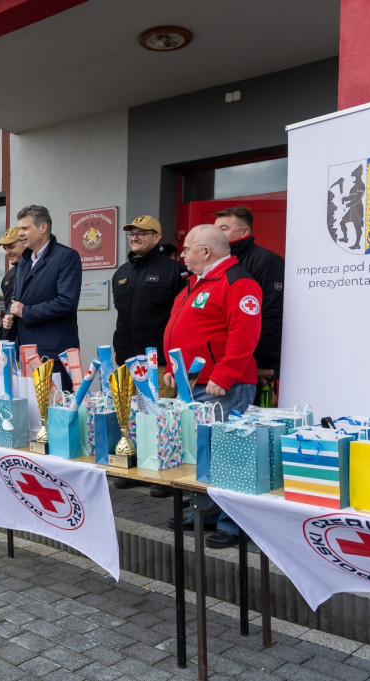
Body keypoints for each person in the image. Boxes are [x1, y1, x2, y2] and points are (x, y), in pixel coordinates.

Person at [163, 224, 262, 549]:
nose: (182, 254)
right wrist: (175, 372)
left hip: (223, 387)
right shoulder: (196, 283)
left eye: (187, 248)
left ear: (205, 251)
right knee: (203, 453)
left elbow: (244, 334)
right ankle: (205, 511)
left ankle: (232, 524)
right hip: (196, 384)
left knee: (229, 455)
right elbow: (184, 332)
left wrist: (224, 374)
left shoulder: (237, 282)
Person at [110, 215, 185, 496]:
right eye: (132, 233)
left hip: (159, 363)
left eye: (143, 232)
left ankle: (163, 475)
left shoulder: (174, 271)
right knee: (131, 418)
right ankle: (134, 466)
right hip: (128, 361)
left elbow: (180, 319)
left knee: (159, 420)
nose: (135, 237)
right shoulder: (122, 272)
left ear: (157, 237)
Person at [4, 205, 82, 391]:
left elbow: (66, 303)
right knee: (32, 407)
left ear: (43, 227)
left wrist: (26, 312)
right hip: (26, 351)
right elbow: (17, 298)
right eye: (20, 228)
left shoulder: (66, 257)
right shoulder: (24, 261)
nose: (20, 233)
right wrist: (10, 315)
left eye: (25, 228)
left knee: (57, 407)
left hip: (55, 354)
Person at [213, 206, 284, 403]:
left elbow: (272, 314)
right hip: (219, 367)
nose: (217, 234)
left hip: (252, 369)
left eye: (224, 228)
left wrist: (263, 363)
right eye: (215, 229)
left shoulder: (267, 261)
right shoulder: (215, 263)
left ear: (244, 231)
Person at [0, 227, 22, 342]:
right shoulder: (8, 277)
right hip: (13, 339)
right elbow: (8, 311)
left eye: (11, 246)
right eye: (5, 248)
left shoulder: (40, 270)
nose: (7, 253)